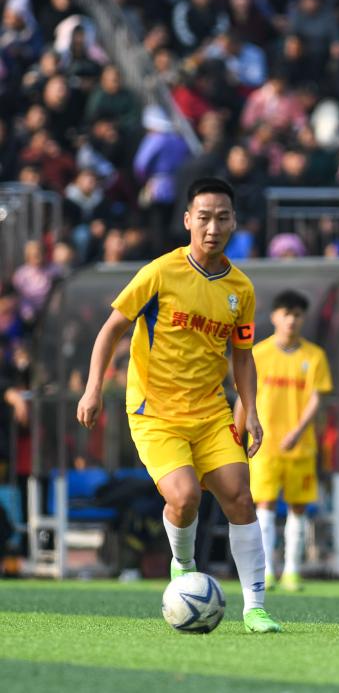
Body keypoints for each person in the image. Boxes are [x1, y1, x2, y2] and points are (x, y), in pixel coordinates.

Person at [75, 177, 281, 633]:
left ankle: (255, 609)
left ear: (234, 222)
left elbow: (242, 356)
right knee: (185, 498)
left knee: (240, 497)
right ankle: (183, 566)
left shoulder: (241, 289)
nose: (213, 227)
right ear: (188, 220)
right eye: (204, 217)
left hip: (211, 413)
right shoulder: (160, 272)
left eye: (222, 218)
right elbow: (111, 330)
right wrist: (93, 389)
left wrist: (251, 411)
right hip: (156, 413)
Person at [239, 290, 332, 592]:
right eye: (286, 313)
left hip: (300, 446)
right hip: (263, 444)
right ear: (274, 317)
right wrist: (238, 433)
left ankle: (292, 570)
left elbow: (316, 398)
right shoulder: (258, 353)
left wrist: (298, 431)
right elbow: (244, 396)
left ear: (303, 318)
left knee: (298, 506)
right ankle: (266, 571)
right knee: (264, 504)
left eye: (297, 314)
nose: (291, 320)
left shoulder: (314, 356)